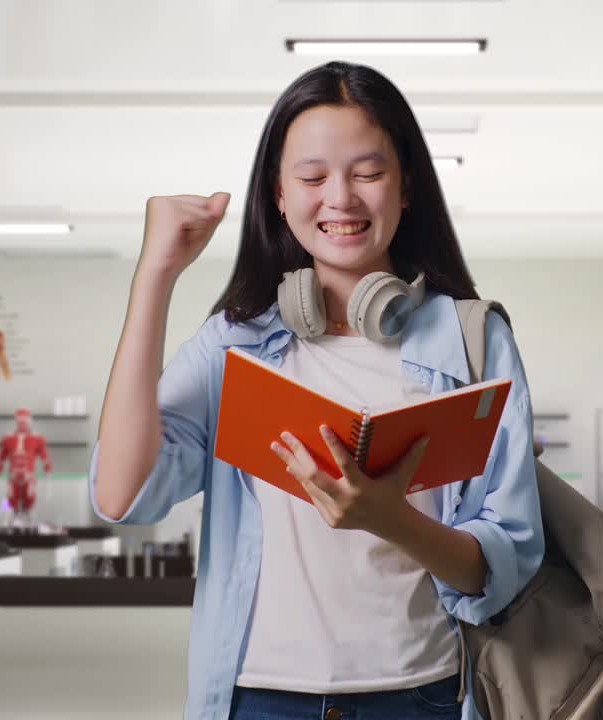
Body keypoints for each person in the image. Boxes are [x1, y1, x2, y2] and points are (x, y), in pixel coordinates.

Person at [90, 61, 543, 720]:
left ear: (407, 185)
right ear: (278, 194)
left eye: (368, 173)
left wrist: (394, 520)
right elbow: (119, 493)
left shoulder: (472, 339)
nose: (341, 198)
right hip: (257, 698)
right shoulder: (234, 344)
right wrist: (155, 276)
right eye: (311, 176)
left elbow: (504, 565)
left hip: (422, 697)